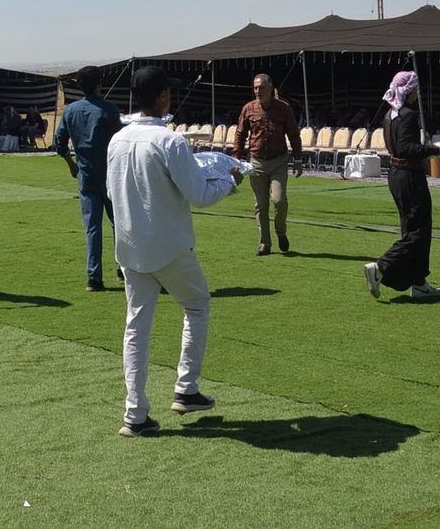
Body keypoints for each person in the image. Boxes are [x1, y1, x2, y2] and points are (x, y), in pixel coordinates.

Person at [108, 66, 243, 437]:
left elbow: (113, 192)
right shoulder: (170, 141)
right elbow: (199, 195)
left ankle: (135, 413)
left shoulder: (117, 139)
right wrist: (230, 182)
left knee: (136, 328)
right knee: (197, 306)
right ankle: (186, 388)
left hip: (130, 245)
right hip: (167, 245)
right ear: (163, 96)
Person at [364, 71, 440, 300]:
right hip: (409, 175)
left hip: (397, 174)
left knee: (412, 228)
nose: (418, 93)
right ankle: (381, 267)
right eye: (415, 88)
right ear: (409, 91)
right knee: (418, 231)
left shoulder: (390, 114)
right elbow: (406, 148)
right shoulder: (408, 115)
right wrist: (437, 149)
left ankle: (419, 283)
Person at [54, 65, 125, 291]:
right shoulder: (109, 110)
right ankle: (123, 268)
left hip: (85, 174)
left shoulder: (71, 111)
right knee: (119, 224)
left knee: (92, 227)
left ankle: (94, 277)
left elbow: (59, 143)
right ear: (99, 85)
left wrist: (71, 164)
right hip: (110, 174)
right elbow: (120, 143)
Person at [232, 72, 305, 255]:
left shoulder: (283, 108)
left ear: (270, 88)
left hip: (278, 161)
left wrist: (298, 159)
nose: (258, 91)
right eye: (255, 88)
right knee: (261, 205)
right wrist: (236, 160)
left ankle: (281, 231)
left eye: (261, 87)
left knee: (279, 201)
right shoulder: (248, 108)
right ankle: (265, 243)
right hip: (256, 162)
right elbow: (240, 134)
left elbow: (293, 134)